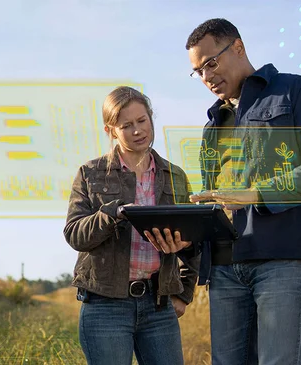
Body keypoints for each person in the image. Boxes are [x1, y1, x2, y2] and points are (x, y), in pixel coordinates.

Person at [183, 18, 301, 365]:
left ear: (239, 47)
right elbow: (217, 199)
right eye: (198, 71)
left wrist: (257, 193)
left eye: (211, 63)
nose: (207, 76)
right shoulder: (212, 126)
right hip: (225, 268)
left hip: (282, 258)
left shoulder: (297, 91)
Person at [64, 86, 202, 365]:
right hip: (104, 306)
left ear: (151, 118)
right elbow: (75, 234)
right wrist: (112, 214)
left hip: (158, 305)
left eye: (142, 121)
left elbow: (194, 241)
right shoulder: (90, 174)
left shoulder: (174, 176)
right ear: (111, 130)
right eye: (126, 125)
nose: (138, 130)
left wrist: (184, 294)